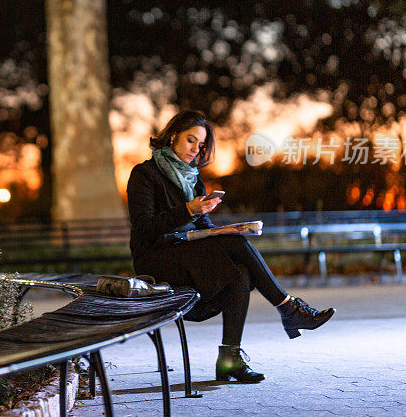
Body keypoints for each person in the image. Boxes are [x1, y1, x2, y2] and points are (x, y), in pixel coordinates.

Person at [126, 110, 334, 382]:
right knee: (235, 249)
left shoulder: (192, 179)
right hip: (157, 260)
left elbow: (203, 228)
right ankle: (288, 308)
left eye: (200, 146)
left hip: (188, 255)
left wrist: (221, 229)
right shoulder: (145, 174)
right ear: (174, 135)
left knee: (240, 271)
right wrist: (187, 210)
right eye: (190, 140)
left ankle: (230, 359)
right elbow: (143, 229)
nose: (195, 150)